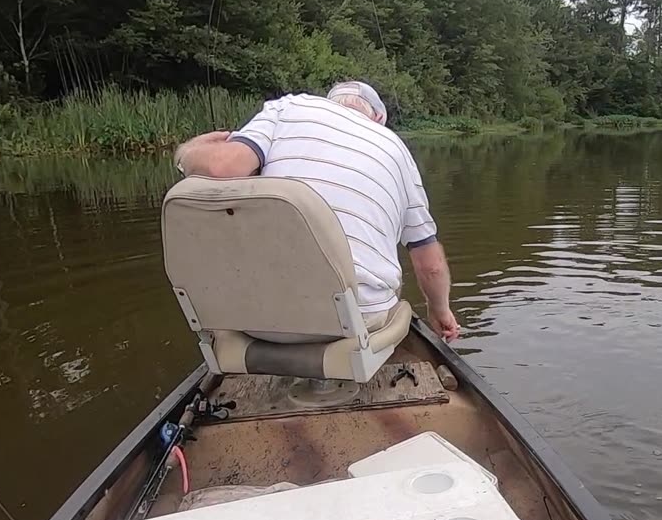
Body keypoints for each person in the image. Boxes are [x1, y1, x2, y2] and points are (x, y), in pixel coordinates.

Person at [172, 82, 460, 342]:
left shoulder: (290, 107)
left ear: (330, 102)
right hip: (358, 322)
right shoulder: (397, 150)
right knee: (390, 300)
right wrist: (441, 311)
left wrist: (186, 151)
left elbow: (221, 168)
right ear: (378, 120)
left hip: (258, 320)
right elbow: (430, 265)